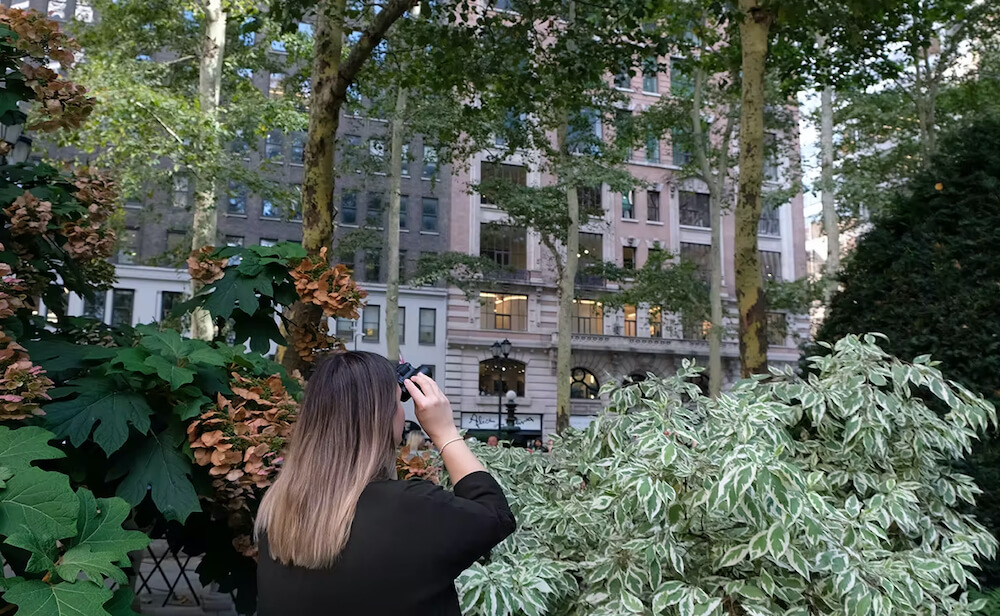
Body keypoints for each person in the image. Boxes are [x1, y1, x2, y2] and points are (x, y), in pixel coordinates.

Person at [255, 352, 516, 615]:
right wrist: (445, 432)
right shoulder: (410, 509)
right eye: (397, 402)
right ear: (382, 417)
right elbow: (495, 514)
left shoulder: (276, 511)